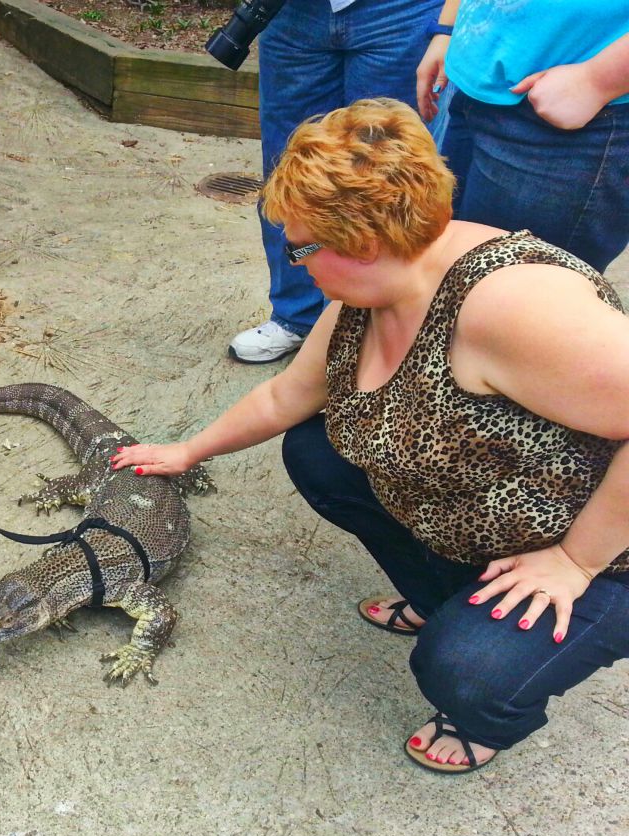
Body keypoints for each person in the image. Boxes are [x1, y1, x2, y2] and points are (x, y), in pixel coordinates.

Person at [113, 99, 629, 774]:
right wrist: (189, 450)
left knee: (465, 670)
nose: (296, 263)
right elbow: (288, 395)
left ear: (360, 245)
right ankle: (442, 596)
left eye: (301, 247)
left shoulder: (511, 306)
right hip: (486, 513)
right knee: (314, 450)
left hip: (600, 545)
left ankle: (490, 712)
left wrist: (577, 560)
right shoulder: (378, 287)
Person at [228, 0, 443, 364]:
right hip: (292, 13)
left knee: (386, 176)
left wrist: (446, 31)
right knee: (289, 170)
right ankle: (296, 317)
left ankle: (374, 333)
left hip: (401, 11)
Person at [416, 0, 629, 272]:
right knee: (445, 268)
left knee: (510, 286)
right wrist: (447, 29)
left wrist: (597, 79)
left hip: (569, 114)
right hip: (479, 80)